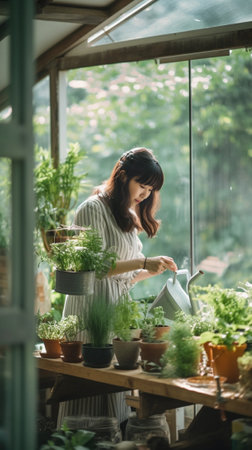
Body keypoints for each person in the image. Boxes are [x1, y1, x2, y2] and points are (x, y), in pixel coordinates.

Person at [57, 147, 177, 429]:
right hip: (91, 310)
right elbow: (97, 267)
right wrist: (144, 260)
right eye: (142, 185)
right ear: (123, 177)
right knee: (87, 397)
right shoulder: (92, 208)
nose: (146, 194)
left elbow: (123, 276)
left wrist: (149, 270)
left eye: (151, 189)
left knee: (114, 399)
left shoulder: (127, 214)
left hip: (115, 313)